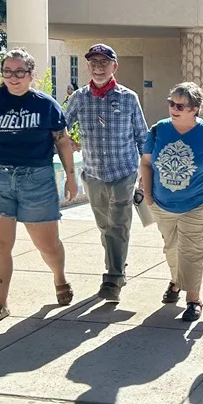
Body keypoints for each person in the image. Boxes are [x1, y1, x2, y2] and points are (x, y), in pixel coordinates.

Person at [0, 48, 79, 324]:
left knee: (47, 245)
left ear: (31, 74)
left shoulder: (46, 105)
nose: (13, 78)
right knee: (0, 244)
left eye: (19, 72)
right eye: (7, 72)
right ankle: (0, 303)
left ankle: (59, 278)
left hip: (36, 179)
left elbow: (62, 140)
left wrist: (71, 177)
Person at [139, 82, 203, 322]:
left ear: (195, 109)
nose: (174, 108)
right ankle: (176, 281)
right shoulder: (158, 130)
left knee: (190, 250)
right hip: (162, 203)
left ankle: (193, 298)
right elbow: (147, 163)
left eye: (181, 105)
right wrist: (148, 195)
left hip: (200, 202)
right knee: (171, 249)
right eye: (171, 103)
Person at [65, 44, 148, 302]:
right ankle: (117, 266)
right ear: (88, 66)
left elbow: (142, 137)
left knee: (118, 225)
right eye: (94, 62)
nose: (99, 67)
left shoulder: (128, 98)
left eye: (104, 62)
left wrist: (145, 174)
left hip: (123, 172)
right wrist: (70, 142)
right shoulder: (79, 98)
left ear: (115, 66)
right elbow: (60, 127)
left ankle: (113, 278)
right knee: (105, 227)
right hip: (93, 174)